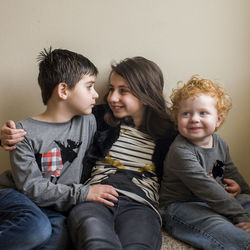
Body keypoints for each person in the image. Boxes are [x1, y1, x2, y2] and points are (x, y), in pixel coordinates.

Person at [0, 47, 119, 250]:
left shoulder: (89, 121)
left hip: (53, 207)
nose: (96, 94)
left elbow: (125, 113)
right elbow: (31, 188)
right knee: (36, 228)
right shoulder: (22, 132)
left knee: (60, 237)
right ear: (63, 90)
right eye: (89, 86)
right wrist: (83, 193)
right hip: (15, 194)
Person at [66, 56, 178, 250]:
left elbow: (200, 149)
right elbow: (56, 125)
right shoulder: (97, 118)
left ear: (146, 94)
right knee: (95, 239)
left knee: (137, 244)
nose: (112, 97)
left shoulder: (168, 133)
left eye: (123, 91)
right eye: (111, 89)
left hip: (140, 205)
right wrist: (15, 135)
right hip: (95, 198)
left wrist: (226, 177)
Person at [160, 75, 250, 250]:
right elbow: (207, 187)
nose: (194, 119)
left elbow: (230, 171)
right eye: (186, 113)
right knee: (216, 225)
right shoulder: (180, 151)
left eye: (203, 113)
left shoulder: (220, 143)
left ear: (218, 120)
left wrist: (241, 188)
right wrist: (241, 217)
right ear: (177, 119)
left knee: (246, 200)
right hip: (181, 207)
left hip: (214, 201)